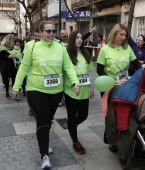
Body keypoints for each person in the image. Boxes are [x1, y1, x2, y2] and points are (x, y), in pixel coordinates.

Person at [12, 20, 80, 170]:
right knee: (43, 120)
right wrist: (16, 87)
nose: (51, 34)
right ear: (41, 33)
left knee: (47, 120)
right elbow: (23, 67)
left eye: (53, 31)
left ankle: (45, 143)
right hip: (36, 90)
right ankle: (44, 156)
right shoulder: (32, 47)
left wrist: (75, 83)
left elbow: (68, 67)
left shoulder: (60, 48)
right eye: (48, 31)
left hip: (56, 92)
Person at [96, 23, 145, 167]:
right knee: (111, 116)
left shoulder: (127, 49)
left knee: (126, 114)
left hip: (125, 84)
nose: (123, 37)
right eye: (121, 34)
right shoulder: (105, 49)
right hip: (110, 86)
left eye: (125, 35)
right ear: (114, 34)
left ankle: (126, 140)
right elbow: (100, 69)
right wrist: (111, 82)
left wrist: (144, 71)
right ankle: (111, 140)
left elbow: (136, 65)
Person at [65, 30, 94, 154]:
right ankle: (75, 141)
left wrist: (91, 88)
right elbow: (64, 72)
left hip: (83, 91)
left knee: (83, 115)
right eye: (77, 38)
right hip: (70, 91)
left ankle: (71, 126)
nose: (79, 40)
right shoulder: (66, 54)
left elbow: (89, 72)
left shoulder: (86, 53)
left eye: (81, 38)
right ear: (72, 39)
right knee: (72, 116)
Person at [0, 34, 16, 99]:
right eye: (13, 40)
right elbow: (0, 57)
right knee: (6, 79)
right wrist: (7, 56)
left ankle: (14, 92)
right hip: (5, 65)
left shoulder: (12, 47)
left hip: (11, 64)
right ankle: (7, 92)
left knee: (14, 78)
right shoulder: (3, 47)